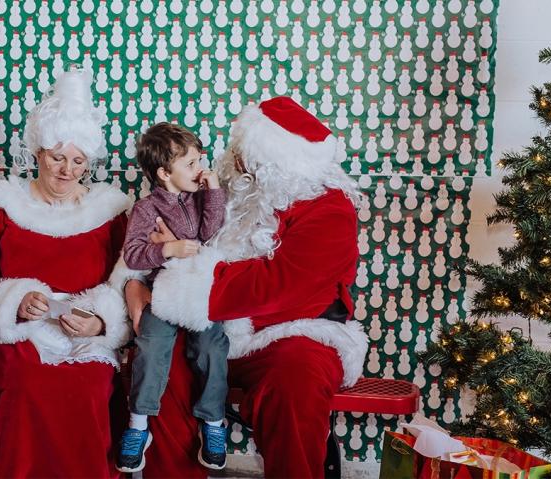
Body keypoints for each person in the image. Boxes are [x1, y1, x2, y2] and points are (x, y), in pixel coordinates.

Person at [124, 96, 370, 477]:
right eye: (237, 150)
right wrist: (134, 285)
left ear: (280, 164)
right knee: (162, 366)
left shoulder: (330, 209)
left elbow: (279, 284)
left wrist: (176, 282)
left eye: (247, 155)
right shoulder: (224, 192)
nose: (235, 160)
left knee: (296, 383)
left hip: (289, 332)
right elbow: (154, 240)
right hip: (210, 329)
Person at [0, 68, 144, 478]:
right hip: (17, 335)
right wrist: (16, 302)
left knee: (87, 386)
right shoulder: (2, 206)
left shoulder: (111, 211)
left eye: (77, 161)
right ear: (38, 153)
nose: (66, 170)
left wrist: (101, 322)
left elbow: (129, 284)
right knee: (25, 384)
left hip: (83, 337)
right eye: (57, 157)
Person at [115, 123, 230, 473]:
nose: (200, 169)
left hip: (199, 294)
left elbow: (212, 233)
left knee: (212, 346)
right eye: (192, 164)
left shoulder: (199, 199)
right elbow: (134, 255)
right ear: (165, 173)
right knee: (150, 345)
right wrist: (168, 249)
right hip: (163, 294)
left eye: (199, 161)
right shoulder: (146, 209)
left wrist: (212, 192)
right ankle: (138, 425)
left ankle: (213, 422)